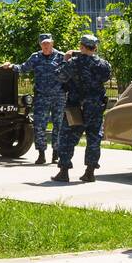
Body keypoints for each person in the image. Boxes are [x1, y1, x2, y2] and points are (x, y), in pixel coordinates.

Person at [51, 34, 111, 183]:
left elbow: (60, 76)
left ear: (82, 47)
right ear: (95, 48)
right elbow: (106, 77)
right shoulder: (104, 64)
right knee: (93, 138)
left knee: (67, 136)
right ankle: (89, 172)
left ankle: (64, 172)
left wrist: (65, 59)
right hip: (95, 106)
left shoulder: (73, 62)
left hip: (76, 106)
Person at [2, 32, 66, 165]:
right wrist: (11, 66)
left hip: (58, 97)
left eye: (48, 43)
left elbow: (70, 70)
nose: (46, 46)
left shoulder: (61, 57)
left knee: (58, 125)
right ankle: (41, 153)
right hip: (42, 96)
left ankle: (56, 153)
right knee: (39, 125)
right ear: (40, 45)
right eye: (43, 44)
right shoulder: (35, 57)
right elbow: (23, 68)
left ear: (52, 43)